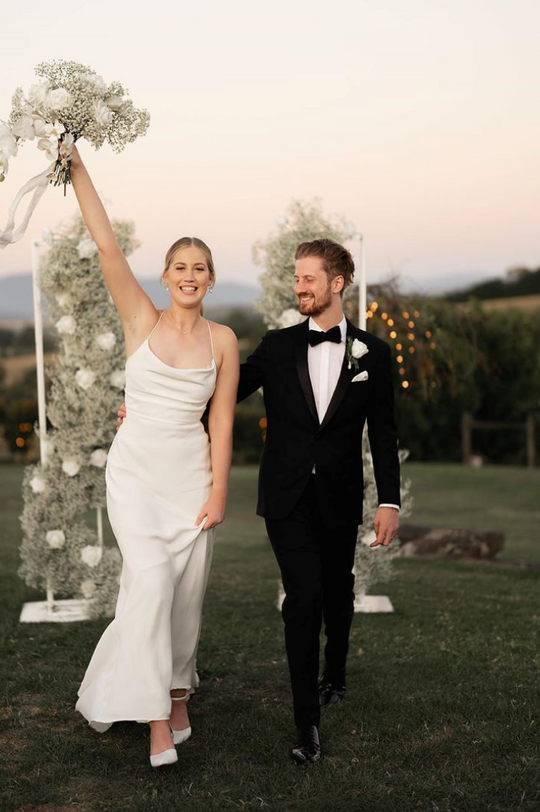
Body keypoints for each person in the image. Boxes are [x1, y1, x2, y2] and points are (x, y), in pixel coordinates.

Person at [117, 237, 400, 765]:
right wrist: (142, 409)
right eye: (296, 278)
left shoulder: (373, 354)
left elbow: (382, 434)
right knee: (304, 599)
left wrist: (390, 502)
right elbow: (216, 397)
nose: (300, 287)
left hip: (341, 496)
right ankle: (306, 726)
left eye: (309, 278)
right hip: (286, 497)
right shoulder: (276, 346)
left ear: (337, 284)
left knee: (338, 590)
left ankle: (334, 672)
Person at [70, 144, 239, 768]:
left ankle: (174, 690)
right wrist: (78, 167)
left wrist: (219, 490)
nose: (189, 274)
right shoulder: (140, 319)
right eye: (179, 266)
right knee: (149, 581)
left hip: (190, 479)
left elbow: (221, 421)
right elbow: (108, 246)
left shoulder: (224, 340)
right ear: (165, 277)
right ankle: (153, 722)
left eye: (200, 267)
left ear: (211, 278)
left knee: (186, 594)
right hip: (136, 476)